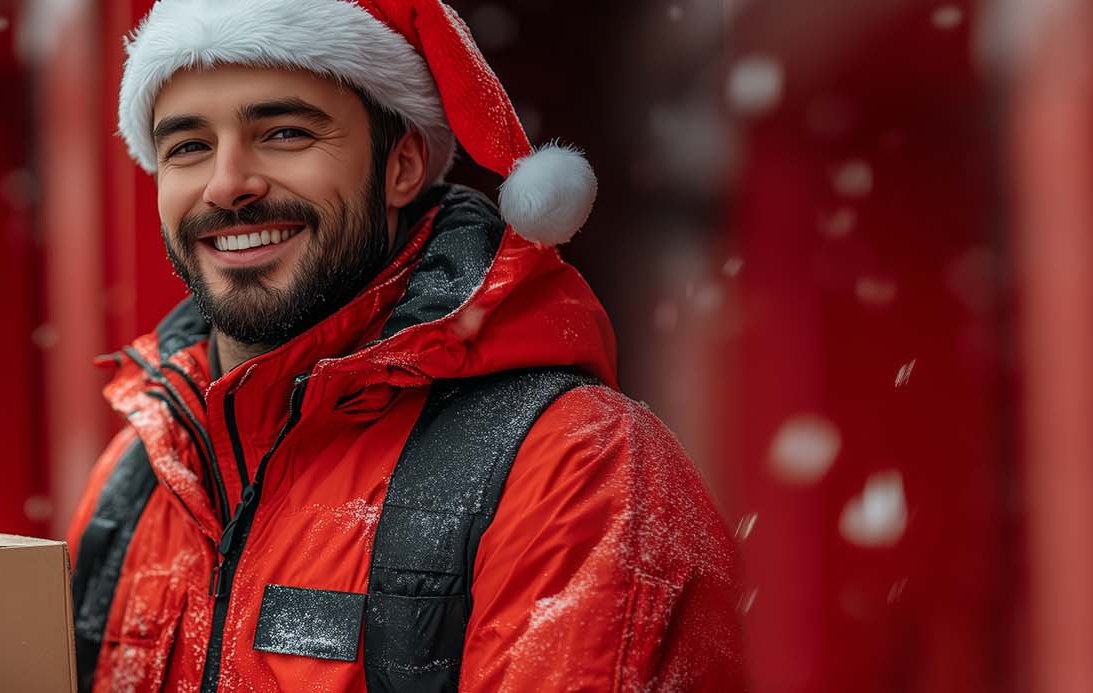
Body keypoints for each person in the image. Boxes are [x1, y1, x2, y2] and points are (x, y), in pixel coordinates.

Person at [62, 1, 744, 690]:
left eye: (285, 133)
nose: (227, 184)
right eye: (187, 146)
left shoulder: (579, 467)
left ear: (403, 166)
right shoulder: (139, 472)